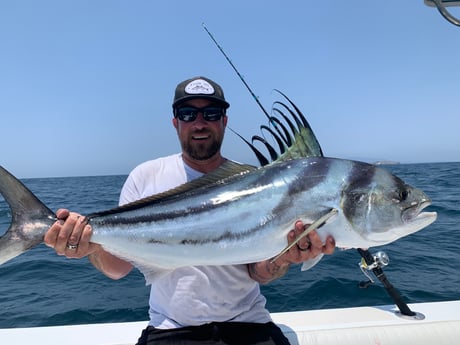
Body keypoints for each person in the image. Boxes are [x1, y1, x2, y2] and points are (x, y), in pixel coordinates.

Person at [44, 76, 335, 345]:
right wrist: (89, 247)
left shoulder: (255, 183)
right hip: (171, 329)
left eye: (210, 114)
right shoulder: (145, 177)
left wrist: (282, 258)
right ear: (175, 122)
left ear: (223, 121)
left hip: (248, 325)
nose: (199, 123)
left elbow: (257, 271)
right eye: (188, 114)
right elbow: (118, 268)